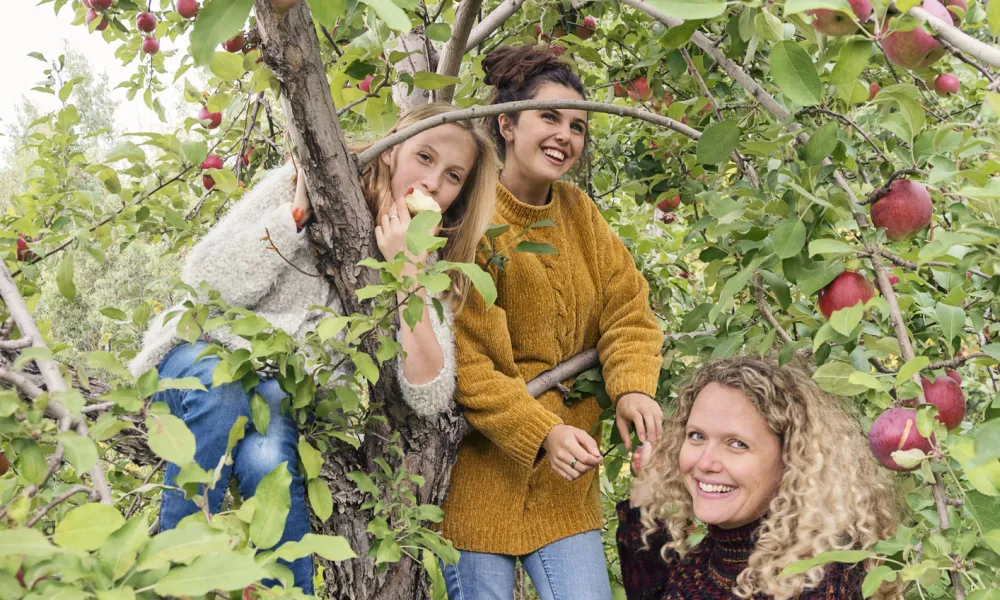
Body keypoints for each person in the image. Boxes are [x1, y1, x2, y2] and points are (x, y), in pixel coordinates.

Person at [129, 102, 498, 594]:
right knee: (225, 392)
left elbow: (430, 394)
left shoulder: (420, 259)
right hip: (201, 358)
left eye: (453, 176)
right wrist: (294, 218)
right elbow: (203, 278)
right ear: (392, 151)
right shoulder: (301, 183)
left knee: (269, 460)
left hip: (278, 395)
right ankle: (173, 572)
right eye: (425, 157)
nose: (433, 182)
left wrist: (408, 273)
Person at [437, 45, 665, 600]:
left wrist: (633, 386)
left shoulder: (579, 212)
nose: (566, 135)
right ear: (506, 123)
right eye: (550, 117)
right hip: (481, 481)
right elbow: (468, 364)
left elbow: (628, 308)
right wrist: (542, 433)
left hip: (567, 486)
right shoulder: (469, 221)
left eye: (578, 126)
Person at [617, 356, 901, 600]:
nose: (705, 462)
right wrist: (648, 486)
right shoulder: (707, 558)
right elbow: (652, 590)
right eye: (696, 436)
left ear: (792, 458)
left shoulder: (818, 579)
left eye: (737, 444)